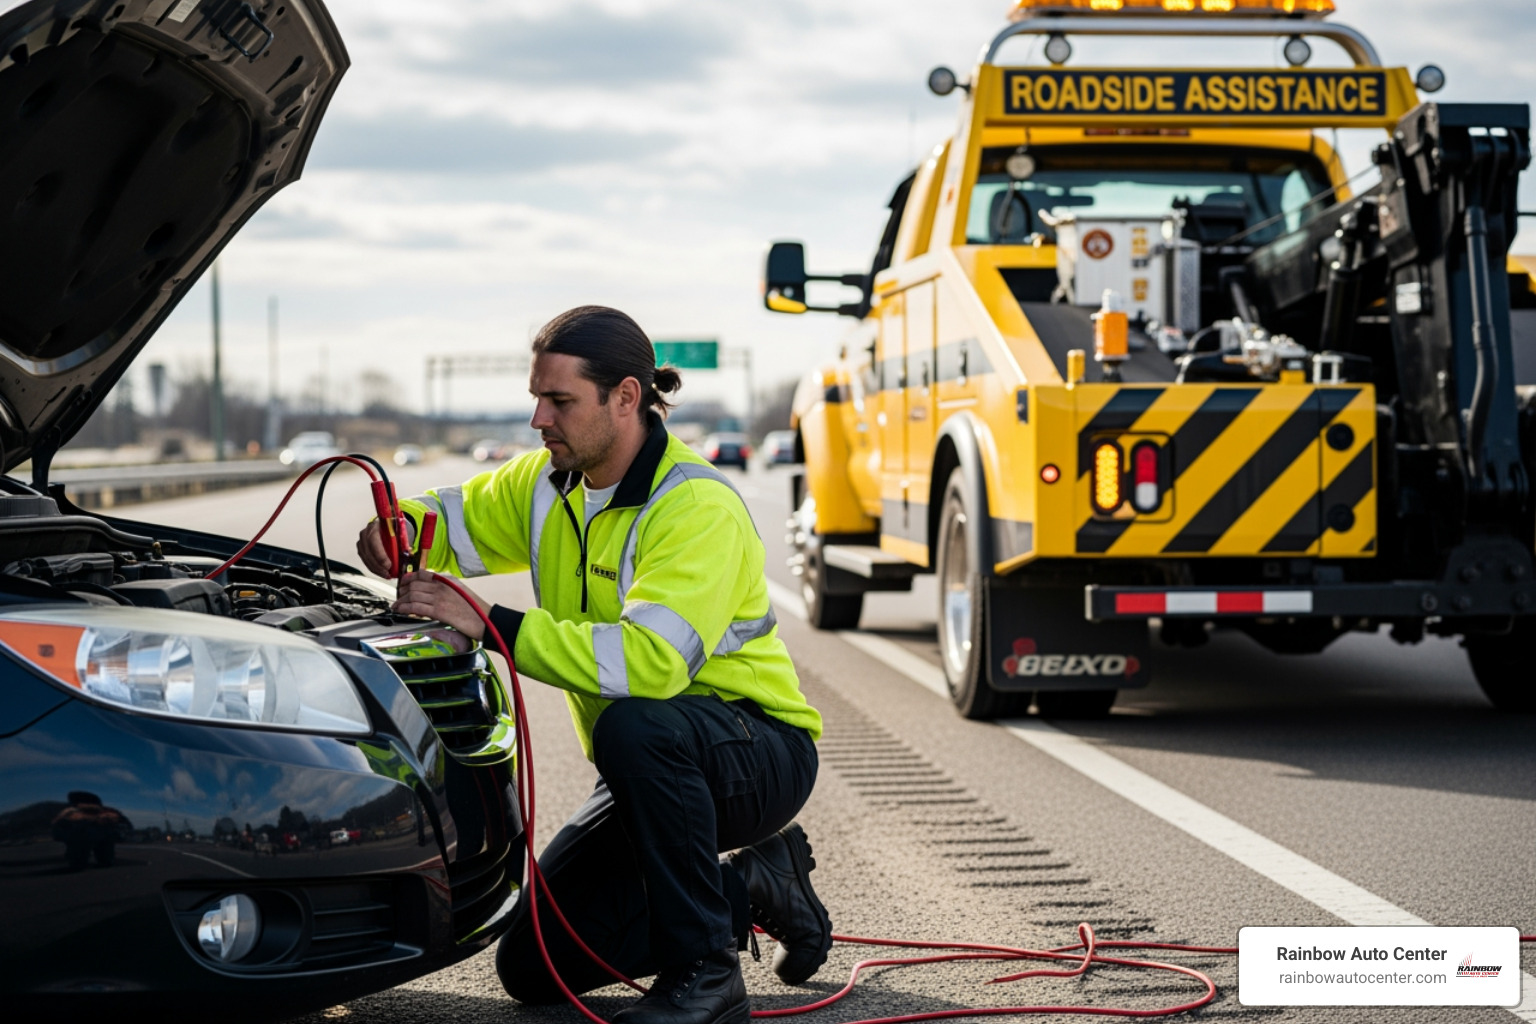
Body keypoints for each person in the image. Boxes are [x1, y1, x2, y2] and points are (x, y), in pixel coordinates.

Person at [355, 306, 831, 1024]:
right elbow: (450, 521)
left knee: (637, 726)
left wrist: (488, 625)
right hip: (649, 763)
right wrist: (400, 531)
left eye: (561, 402)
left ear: (626, 398)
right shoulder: (547, 482)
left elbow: (651, 665)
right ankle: (754, 887)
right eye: (536, 398)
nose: (539, 418)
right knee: (534, 965)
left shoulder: (693, 505)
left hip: (753, 754)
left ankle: (705, 975)